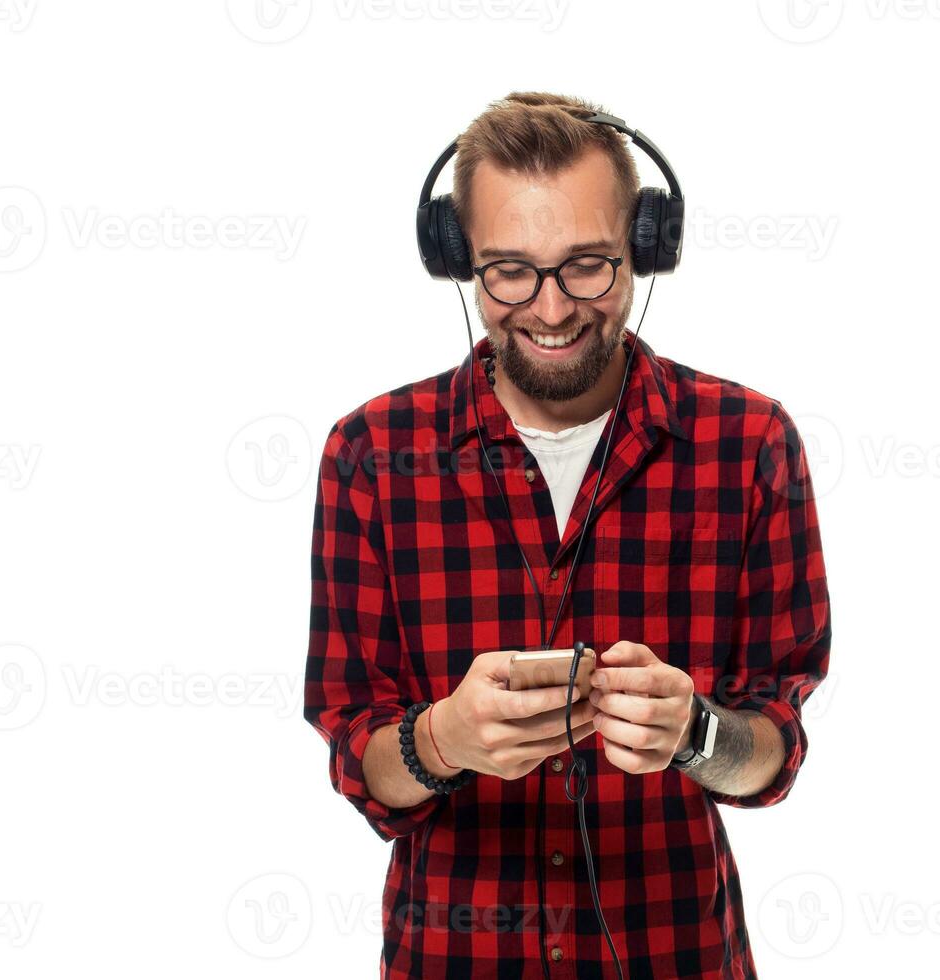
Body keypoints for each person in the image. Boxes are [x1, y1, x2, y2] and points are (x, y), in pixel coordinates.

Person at [305, 91, 831, 978]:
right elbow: (361, 760)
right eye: (509, 271)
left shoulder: (751, 444)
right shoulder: (369, 453)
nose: (550, 310)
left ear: (646, 251)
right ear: (458, 263)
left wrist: (697, 734)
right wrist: (444, 742)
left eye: (589, 265)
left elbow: (772, 753)